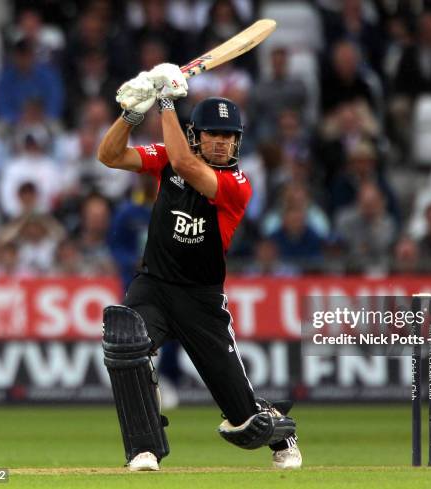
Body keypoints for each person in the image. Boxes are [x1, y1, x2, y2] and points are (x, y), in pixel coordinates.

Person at [97, 64, 300, 471]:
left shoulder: (237, 184)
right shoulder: (166, 159)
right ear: (197, 135)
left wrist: (167, 101)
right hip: (153, 285)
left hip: (201, 301)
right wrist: (132, 115)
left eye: (230, 136)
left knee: (244, 424)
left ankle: (278, 425)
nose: (223, 143)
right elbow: (109, 155)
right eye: (214, 134)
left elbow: (186, 166)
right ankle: (144, 449)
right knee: (126, 348)